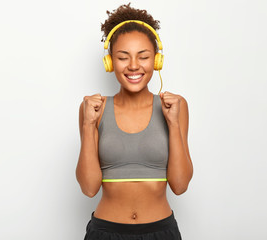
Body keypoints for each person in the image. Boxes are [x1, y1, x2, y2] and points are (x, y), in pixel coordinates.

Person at [76, 3, 193, 240]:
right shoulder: (93, 109)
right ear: (110, 62)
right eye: (122, 57)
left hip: (161, 231)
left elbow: (180, 186)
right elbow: (89, 189)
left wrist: (174, 124)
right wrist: (89, 125)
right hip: (105, 232)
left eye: (143, 57)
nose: (133, 66)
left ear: (157, 61)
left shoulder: (175, 107)